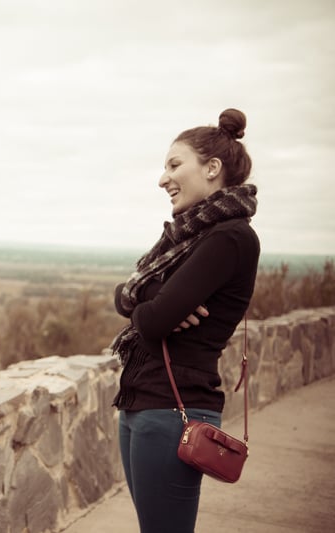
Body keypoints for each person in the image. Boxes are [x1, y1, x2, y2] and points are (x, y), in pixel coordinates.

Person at [110, 109, 260, 533]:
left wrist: (146, 302)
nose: (163, 179)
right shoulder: (186, 238)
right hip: (141, 401)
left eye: (175, 165)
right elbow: (129, 296)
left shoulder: (230, 237)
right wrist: (153, 297)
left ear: (212, 168)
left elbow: (152, 322)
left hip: (174, 412)